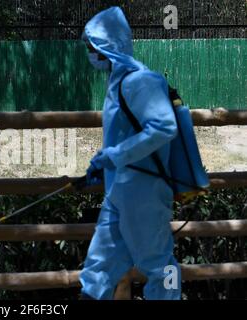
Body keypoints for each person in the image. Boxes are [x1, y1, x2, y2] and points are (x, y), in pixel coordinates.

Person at [79, 6, 181, 300]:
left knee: (161, 269)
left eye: (91, 45)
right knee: (98, 268)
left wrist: (114, 156)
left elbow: (163, 127)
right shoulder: (118, 82)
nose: (89, 52)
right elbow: (124, 135)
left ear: (106, 45)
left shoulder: (140, 81)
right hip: (120, 192)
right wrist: (102, 161)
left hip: (145, 193)